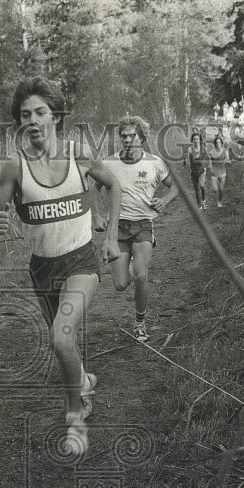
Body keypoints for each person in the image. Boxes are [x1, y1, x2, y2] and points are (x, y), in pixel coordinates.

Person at [0, 77, 121, 458]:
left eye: (41, 112)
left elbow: (115, 186)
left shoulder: (80, 155)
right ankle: (84, 381)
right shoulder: (14, 168)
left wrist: (110, 236)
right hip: (42, 270)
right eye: (25, 114)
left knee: (60, 338)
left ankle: (75, 416)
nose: (33, 120)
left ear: (56, 116)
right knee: (66, 347)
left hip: (81, 263)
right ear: (19, 122)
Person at [100, 116, 178, 344]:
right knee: (121, 284)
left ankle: (140, 323)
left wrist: (165, 201)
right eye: (123, 136)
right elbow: (93, 188)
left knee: (141, 276)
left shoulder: (155, 162)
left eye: (131, 135)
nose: (126, 140)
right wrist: (97, 215)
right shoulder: (109, 164)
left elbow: (175, 187)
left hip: (143, 224)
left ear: (141, 138)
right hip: (118, 227)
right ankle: (133, 265)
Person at [187, 130, 208, 210]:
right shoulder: (189, 149)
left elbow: (206, 159)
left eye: (197, 139)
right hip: (193, 171)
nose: (196, 140)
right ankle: (199, 206)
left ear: (200, 140)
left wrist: (205, 168)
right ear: (192, 140)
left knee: (202, 186)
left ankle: (203, 202)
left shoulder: (203, 149)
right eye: (194, 139)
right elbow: (190, 162)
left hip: (201, 170)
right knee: (196, 190)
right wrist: (190, 171)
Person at [209, 133, 230, 208]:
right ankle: (217, 198)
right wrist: (210, 165)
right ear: (215, 144)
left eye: (219, 142)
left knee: (221, 189)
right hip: (214, 172)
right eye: (216, 142)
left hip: (222, 172)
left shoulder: (225, 151)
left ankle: (219, 202)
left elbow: (228, 160)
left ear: (221, 143)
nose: (218, 144)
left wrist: (227, 161)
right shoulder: (212, 152)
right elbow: (209, 161)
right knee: (215, 190)